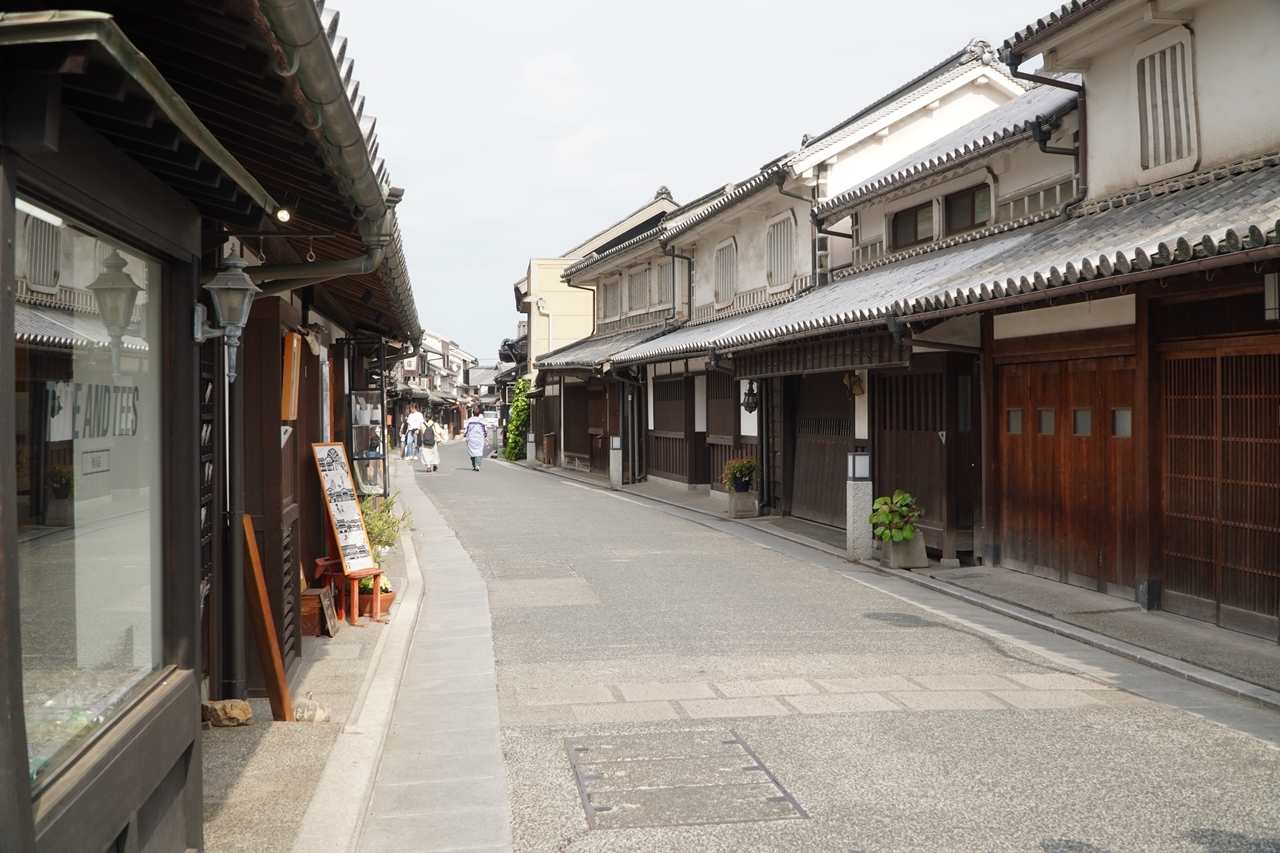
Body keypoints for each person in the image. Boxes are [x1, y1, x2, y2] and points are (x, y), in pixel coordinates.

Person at [463, 407, 488, 471]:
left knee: (472, 452)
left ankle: (474, 464)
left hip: (471, 438)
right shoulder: (481, 421)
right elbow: (484, 430)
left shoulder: (469, 420)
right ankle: (477, 465)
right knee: (479, 452)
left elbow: (466, 430)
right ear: (479, 413)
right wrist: (486, 437)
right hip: (479, 438)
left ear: (472, 413)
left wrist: (464, 436)